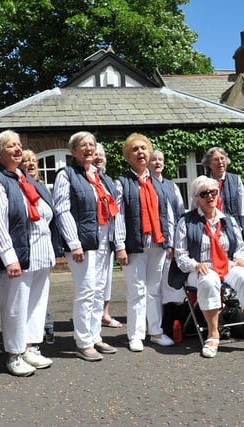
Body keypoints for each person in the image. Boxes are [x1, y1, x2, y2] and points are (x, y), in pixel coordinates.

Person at [0, 130, 60, 375]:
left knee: (36, 303)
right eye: (10, 146)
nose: (18, 149)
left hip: (40, 252)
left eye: (19, 144)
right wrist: (9, 257)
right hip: (17, 254)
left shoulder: (26, 180)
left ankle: (30, 346)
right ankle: (14, 353)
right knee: (15, 305)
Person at [174, 176, 244, 358]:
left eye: (213, 192)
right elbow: (180, 256)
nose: (210, 197)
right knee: (208, 280)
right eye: (204, 194)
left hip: (226, 265)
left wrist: (240, 259)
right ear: (196, 199)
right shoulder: (186, 221)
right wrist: (196, 264)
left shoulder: (228, 220)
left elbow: (240, 249)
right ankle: (213, 334)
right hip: (200, 267)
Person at [53, 132, 120, 361]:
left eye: (91, 144)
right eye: (83, 145)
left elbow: (113, 210)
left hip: (103, 238)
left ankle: (95, 335)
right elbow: (62, 210)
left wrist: (116, 241)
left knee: (99, 290)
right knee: (87, 290)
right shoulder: (67, 174)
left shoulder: (100, 176)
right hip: (82, 240)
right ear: (73, 151)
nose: (89, 148)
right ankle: (83, 341)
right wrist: (74, 243)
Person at [115, 133, 175, 352]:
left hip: (158, 244)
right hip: (134, 246)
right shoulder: (122, 183)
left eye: (143, 148)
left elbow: (167, 215)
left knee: (155, 290)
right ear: (128, 157)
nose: (140, 152)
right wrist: (120, 245)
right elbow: (118, 217)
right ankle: (136, 335)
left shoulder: (158, 183)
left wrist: (170, 242)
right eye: (135, 150)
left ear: (149, 153)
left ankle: (156, 332)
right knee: (137, 291)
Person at [148, 149, 186, 305]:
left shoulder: (172, 186)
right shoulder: (147, 185)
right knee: (154, 283)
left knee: (171, 281)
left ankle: (173, 317)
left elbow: (180, 213)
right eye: (154, 160)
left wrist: (176, 242)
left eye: (160, 160)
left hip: (173, 241)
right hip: (156, 241)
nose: (158, 163)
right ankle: (157, 318)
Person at [93, 142, 123, 328]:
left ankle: (104, 313)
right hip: (93, 236)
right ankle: (94, 316)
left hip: (108, 235)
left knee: (107, 278)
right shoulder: (87, 179)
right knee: (94, 280)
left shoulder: (108, 181)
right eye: (95, 154)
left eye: (101, 155)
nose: (99, 157)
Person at [199, 147, 244, 244]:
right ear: (209, 164)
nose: (220, 162)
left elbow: (243, 208)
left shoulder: (236, 180)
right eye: (216, 159)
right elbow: (196, 206)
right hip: (209, 228)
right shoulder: (202, 182)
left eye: (222, 158)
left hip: (232, 228)